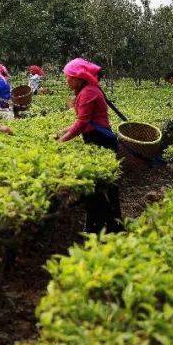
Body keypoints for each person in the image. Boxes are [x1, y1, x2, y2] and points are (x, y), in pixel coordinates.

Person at [57, 57, 122, 233]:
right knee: (99, 186)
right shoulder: (88, 90)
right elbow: (83, 121)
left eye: (68, 77)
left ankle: (110, 226)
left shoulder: (88, 92)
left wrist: (62, 140)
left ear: (79, 77)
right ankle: (99, 226)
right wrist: (62, 132)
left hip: (101, 141)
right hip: (96, 138)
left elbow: (82, 123)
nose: (67, 81)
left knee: (99, 187)